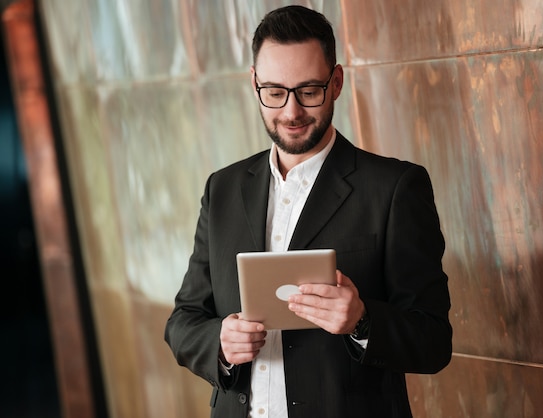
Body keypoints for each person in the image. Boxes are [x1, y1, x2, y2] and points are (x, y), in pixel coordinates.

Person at [165, 5, 452, 418]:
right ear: (255, 84)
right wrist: (221, 344)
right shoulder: (223, 189)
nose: (291, 112)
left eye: (309, 91)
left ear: (335, 83)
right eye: (275, 92)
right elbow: (183, 321)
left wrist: (362, 321)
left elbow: (434, 341)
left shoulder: (395, 188)